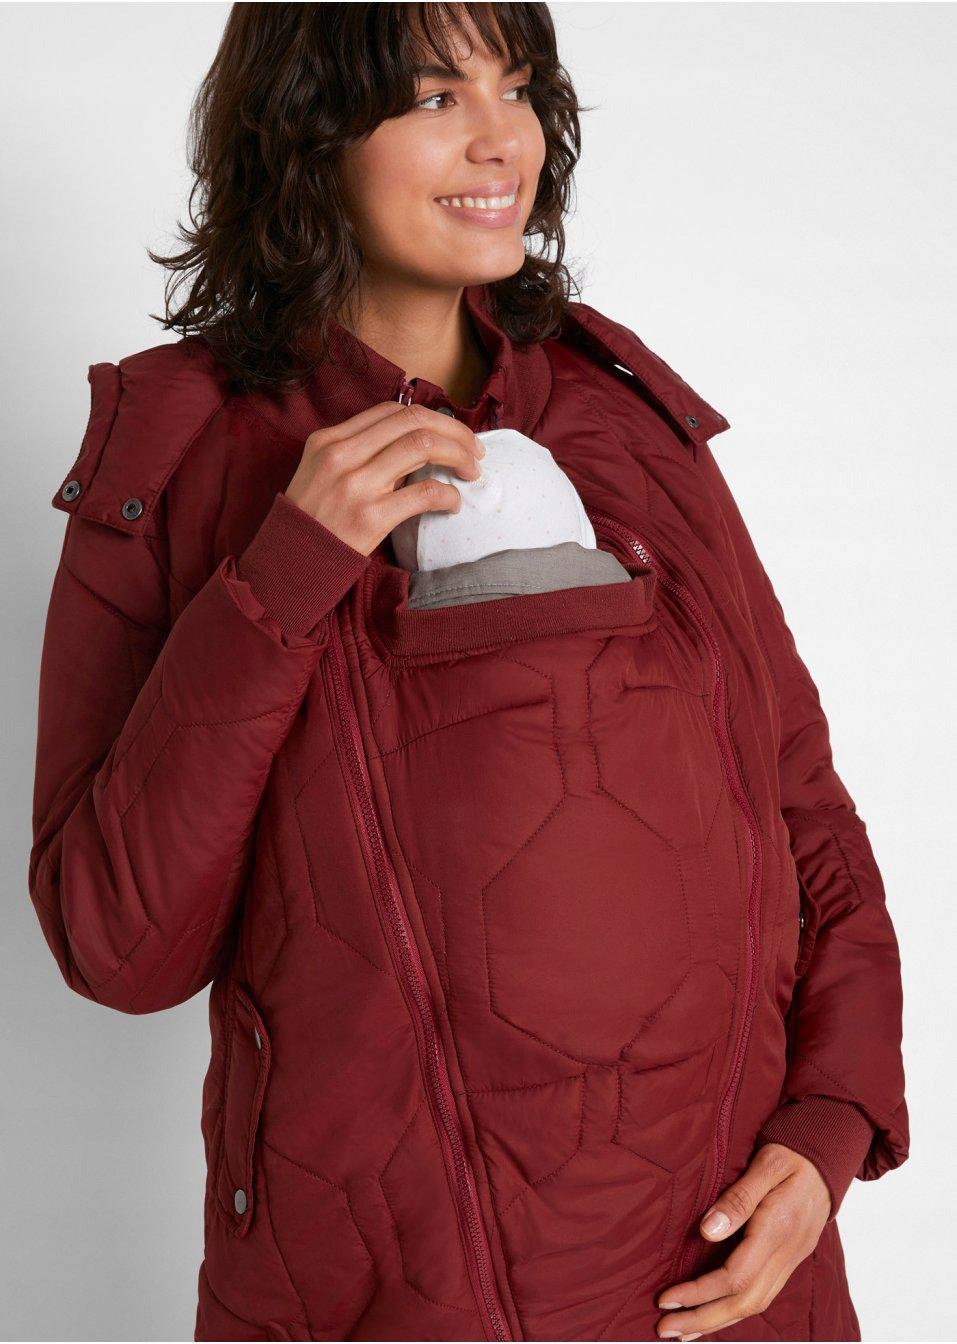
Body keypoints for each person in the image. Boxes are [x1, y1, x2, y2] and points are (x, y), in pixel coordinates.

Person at [28, 4, 908, 1341]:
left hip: (732, 1279)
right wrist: (283, 574)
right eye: (436, 96)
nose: (503, 139)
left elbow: (801, 807)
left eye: (520, 86)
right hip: (383, 1299)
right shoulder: (177, 453)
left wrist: (832, 1120)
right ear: (306, 129)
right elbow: (117, 947)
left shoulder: (624, 416)